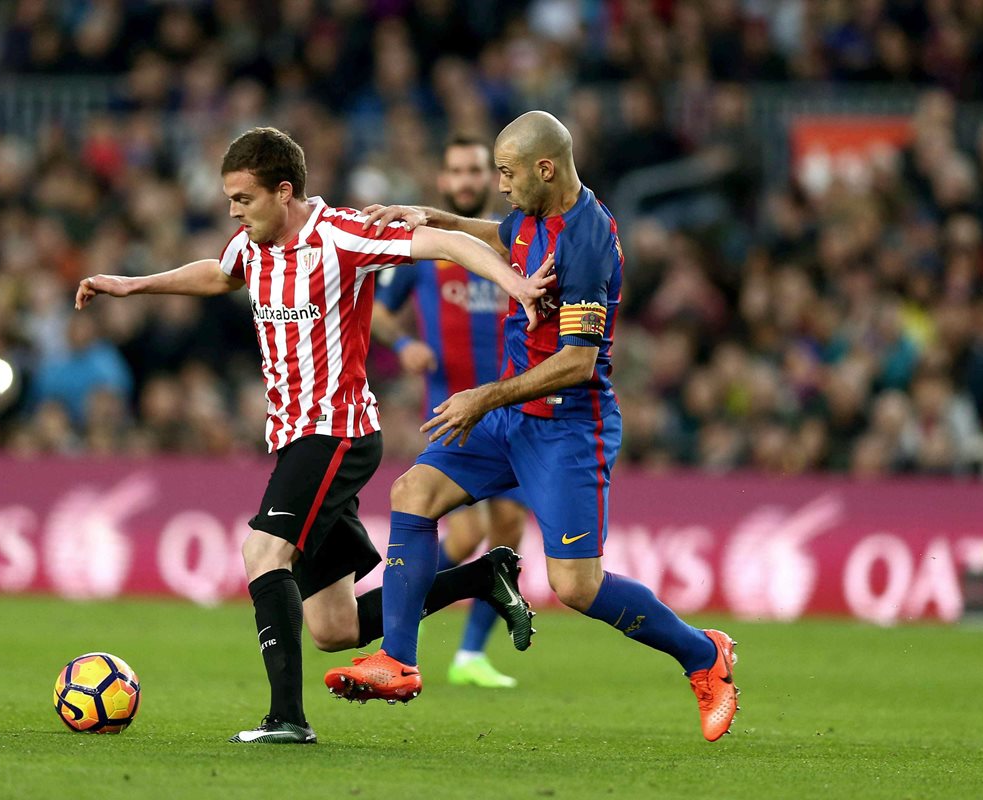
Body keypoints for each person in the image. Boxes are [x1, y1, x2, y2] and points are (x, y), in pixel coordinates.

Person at [74, 127, 546, 745]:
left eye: (243, 198)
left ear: (284, 191)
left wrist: (514, 284)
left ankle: (287, 720)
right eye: (231, 201)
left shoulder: (342, 235)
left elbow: (449, 242)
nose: (235, 212)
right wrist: (132, 284)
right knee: (334, 628)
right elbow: (218, 275)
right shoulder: (252, 244)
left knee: (261, 552)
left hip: (336, 432)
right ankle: (482, 578)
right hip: (297, 437)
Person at [324, 112, 741, 742]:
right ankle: (398, 661)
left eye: (508, 172)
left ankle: (703, 656)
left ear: (545, 169)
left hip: (568, 428)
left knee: (577, 586)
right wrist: (438, 220)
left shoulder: (587, 240)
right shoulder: (538, 215)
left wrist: (482, 397)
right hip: (509, 417)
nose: (501, 184)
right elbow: (503, 235)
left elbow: (576, 364)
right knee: (414, 493)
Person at [371, 135, 530, 689]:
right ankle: (386, 614)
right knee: (460, 539)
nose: (465, 179)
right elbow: (375, 315)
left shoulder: (511, 244)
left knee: (509, 529)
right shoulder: (426, 252)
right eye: (456, 170)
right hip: (452, 416)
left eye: (474, 170)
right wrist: (403, 345)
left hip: (511, 410)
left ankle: (468, 654)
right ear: (443, 181)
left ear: (490, 178)